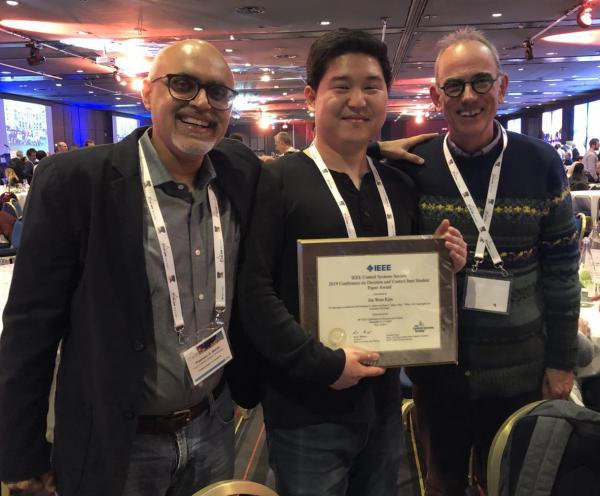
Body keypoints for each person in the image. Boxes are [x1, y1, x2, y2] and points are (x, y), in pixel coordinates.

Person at [0, 39, 264, 496]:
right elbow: (29, 327)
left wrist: (378, 153)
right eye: (183, 85)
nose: (202, 103)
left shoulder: (238, 169)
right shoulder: (75, 182)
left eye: (218, 93)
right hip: (118, 439)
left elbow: (309, 172)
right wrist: (19, 452)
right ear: (147, 92)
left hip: (215, 423)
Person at [237, 28, 467, 496]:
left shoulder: (399, 185)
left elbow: (408, 278)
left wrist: (444, 267)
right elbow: (255, 292)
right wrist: (323, 364)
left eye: (371, 86)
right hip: (306, 409)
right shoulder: (277, 182)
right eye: (341, 86)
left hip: (383, 401)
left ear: (387, 95)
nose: (357, 100)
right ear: (310, 96)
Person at [385, 26, 580, 496]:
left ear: (502, 86)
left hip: (521, 369)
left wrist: (561, 363)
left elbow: (561, 272)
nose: (468, 96)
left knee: (514, 482)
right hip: (441, 374)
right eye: (454, 86)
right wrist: (374, 150)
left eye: (480, 82)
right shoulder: (414, 167)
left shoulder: (540, 162)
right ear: (436, 96)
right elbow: (395, 268)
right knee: (443, 482)